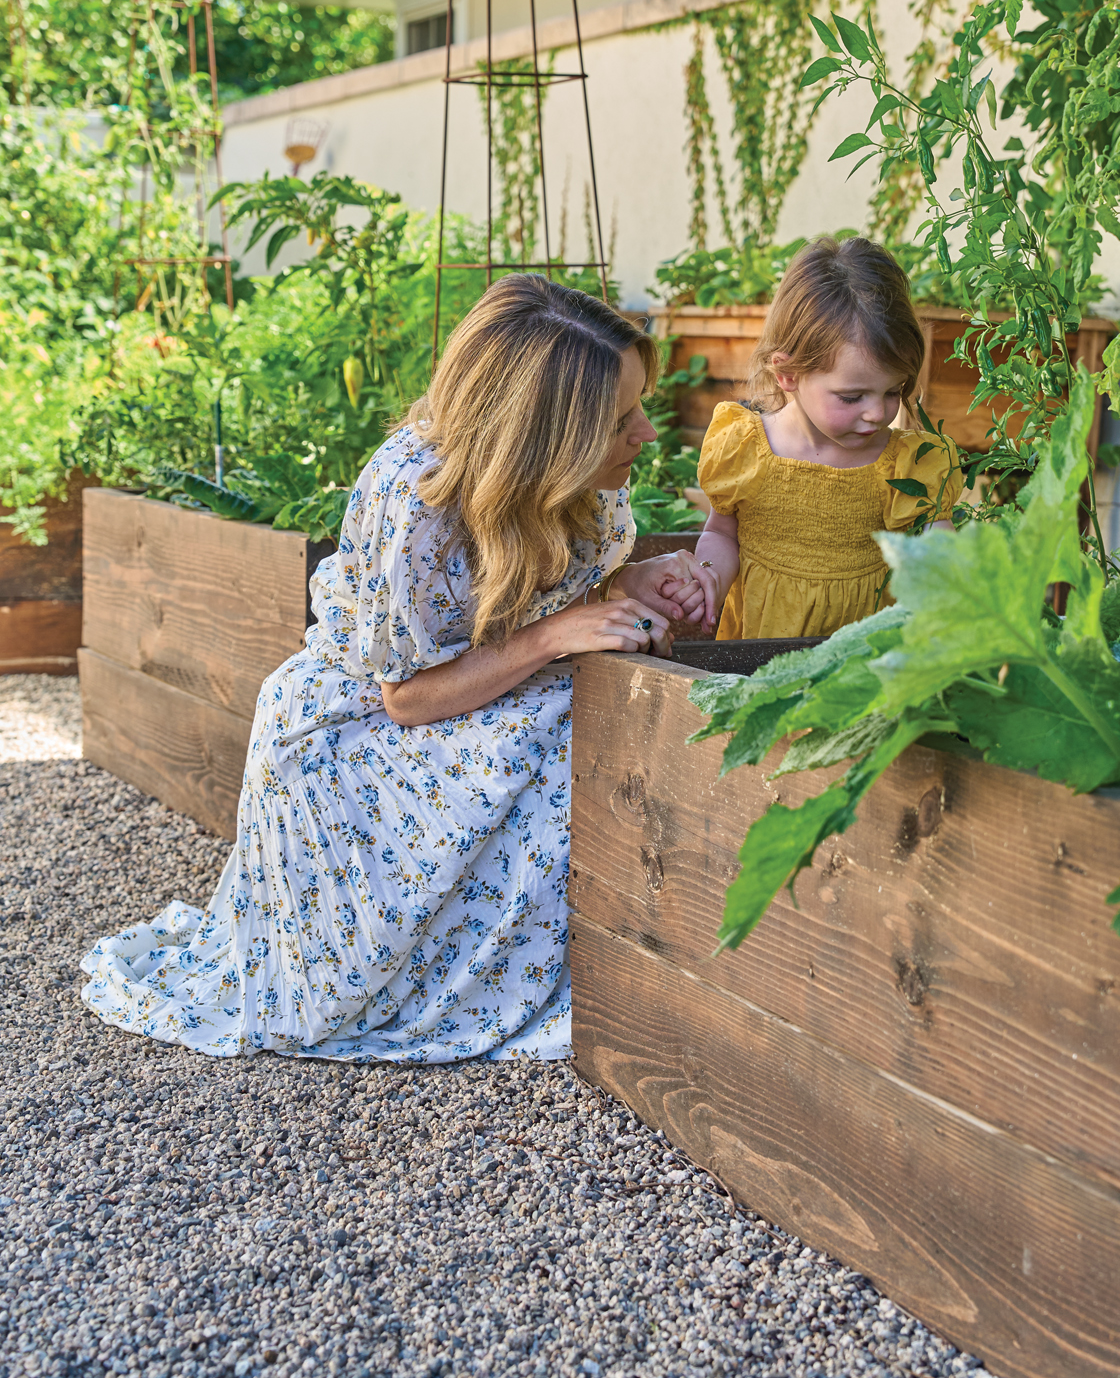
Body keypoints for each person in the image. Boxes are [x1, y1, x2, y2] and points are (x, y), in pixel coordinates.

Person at [81, 277, 711, 1064]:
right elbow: (406, 696)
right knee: (572, 737)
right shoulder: (419, 501)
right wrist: (557, 635)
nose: (647, 431)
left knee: (601, 711)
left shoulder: (584, 481)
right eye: (622, 420)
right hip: (361, 734)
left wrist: (627, 586)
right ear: (542, 436)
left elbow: (557, 595)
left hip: (484, 685)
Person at [684, 237, 965, 640]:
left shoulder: (908, 464)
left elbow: (937, 546)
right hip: (760, 650)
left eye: (893, 391)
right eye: (852, 397)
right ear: (788, 375)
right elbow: (720, 534)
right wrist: (709, 576)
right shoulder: (745, 448)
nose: (878, 412)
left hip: (863, 655)